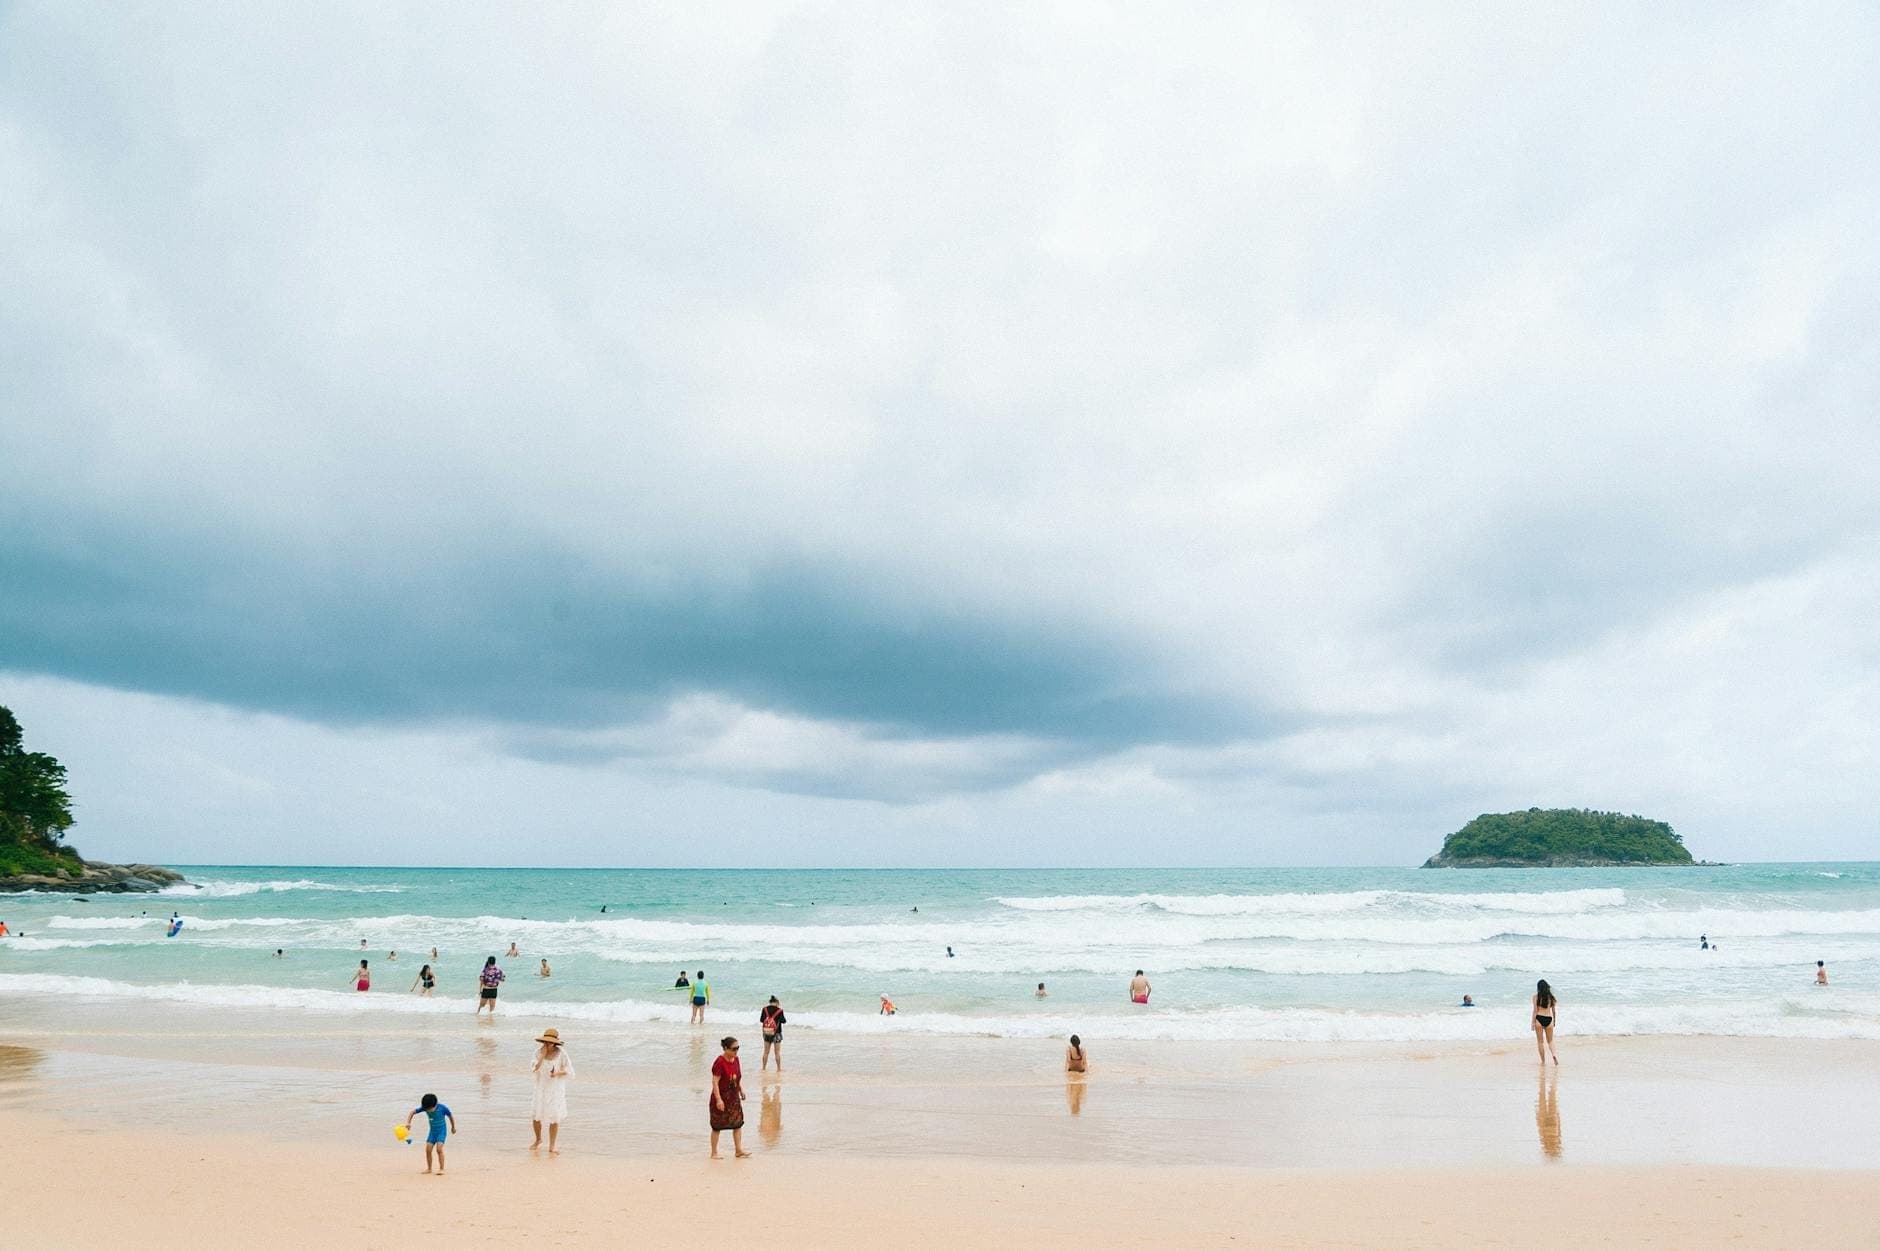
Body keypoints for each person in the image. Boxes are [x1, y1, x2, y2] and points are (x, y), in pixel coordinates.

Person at [530, 1028, 572, 1154]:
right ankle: (538, 1140)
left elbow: (569, 1070)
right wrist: (542, 1056)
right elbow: (534, 1068)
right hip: (541, 1087)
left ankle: (552, 1146)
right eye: (546, 1042)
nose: (548, 1044)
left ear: (555, 1043)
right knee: (536, 1116)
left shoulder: (561, 1053)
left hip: (555, 1088)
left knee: (554, 1117)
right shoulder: (538, 1052)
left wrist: (557, 1073)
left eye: (551, 1042)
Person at [709, 1036, 749, 1158]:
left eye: (738, 1048)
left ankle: (738, 1150)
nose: (736, 1051)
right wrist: (718, 1099)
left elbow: (736, 1077)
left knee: (737, 1124)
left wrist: (741, 1089)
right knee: (717, 1126)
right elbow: (715, 1082)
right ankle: (714, 1153)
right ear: (725, 1048)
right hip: (721, 1098)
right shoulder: (719, 1062)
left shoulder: (736, 1059)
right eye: (733, 1049)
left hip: (733, 1098)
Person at [405, 1092, 455, 1175]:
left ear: (435, 1104)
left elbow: (450, 1116)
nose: (428, 1111)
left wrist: (453, 1127)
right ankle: (429, 1168)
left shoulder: (442, 1108)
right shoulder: (425, 1107)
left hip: (441, 1132)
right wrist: (408, 1123)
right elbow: (412, 1112)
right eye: (426, 1109)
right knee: (428, 1150)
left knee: (439, 1149)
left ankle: (441, 1169)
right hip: (432, 1132)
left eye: (429, 1109)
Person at [1531, 978, 1559, 1065]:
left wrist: (1532, 1022)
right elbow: (1554, 1011)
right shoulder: (1551, 997)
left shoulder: (1536, 997)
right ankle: (1554, 1055)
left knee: (1540, 1042)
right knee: (1550, 1041)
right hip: (1549, 1019)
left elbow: (1535, 1011)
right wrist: (1554, 1021)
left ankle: (1543, 1061)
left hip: (1539, 1018)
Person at [759, 996, 786, 1072]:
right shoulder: (779, 1011)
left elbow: (761, 1020)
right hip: (777, 1033)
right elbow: (783, 1021)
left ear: (770, 1002)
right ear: (777, 1002)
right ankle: (778, 1069)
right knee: (777, 1052)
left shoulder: (764, 1009)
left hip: (767, 1032)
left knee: (766, 1052)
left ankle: (763, 1068)